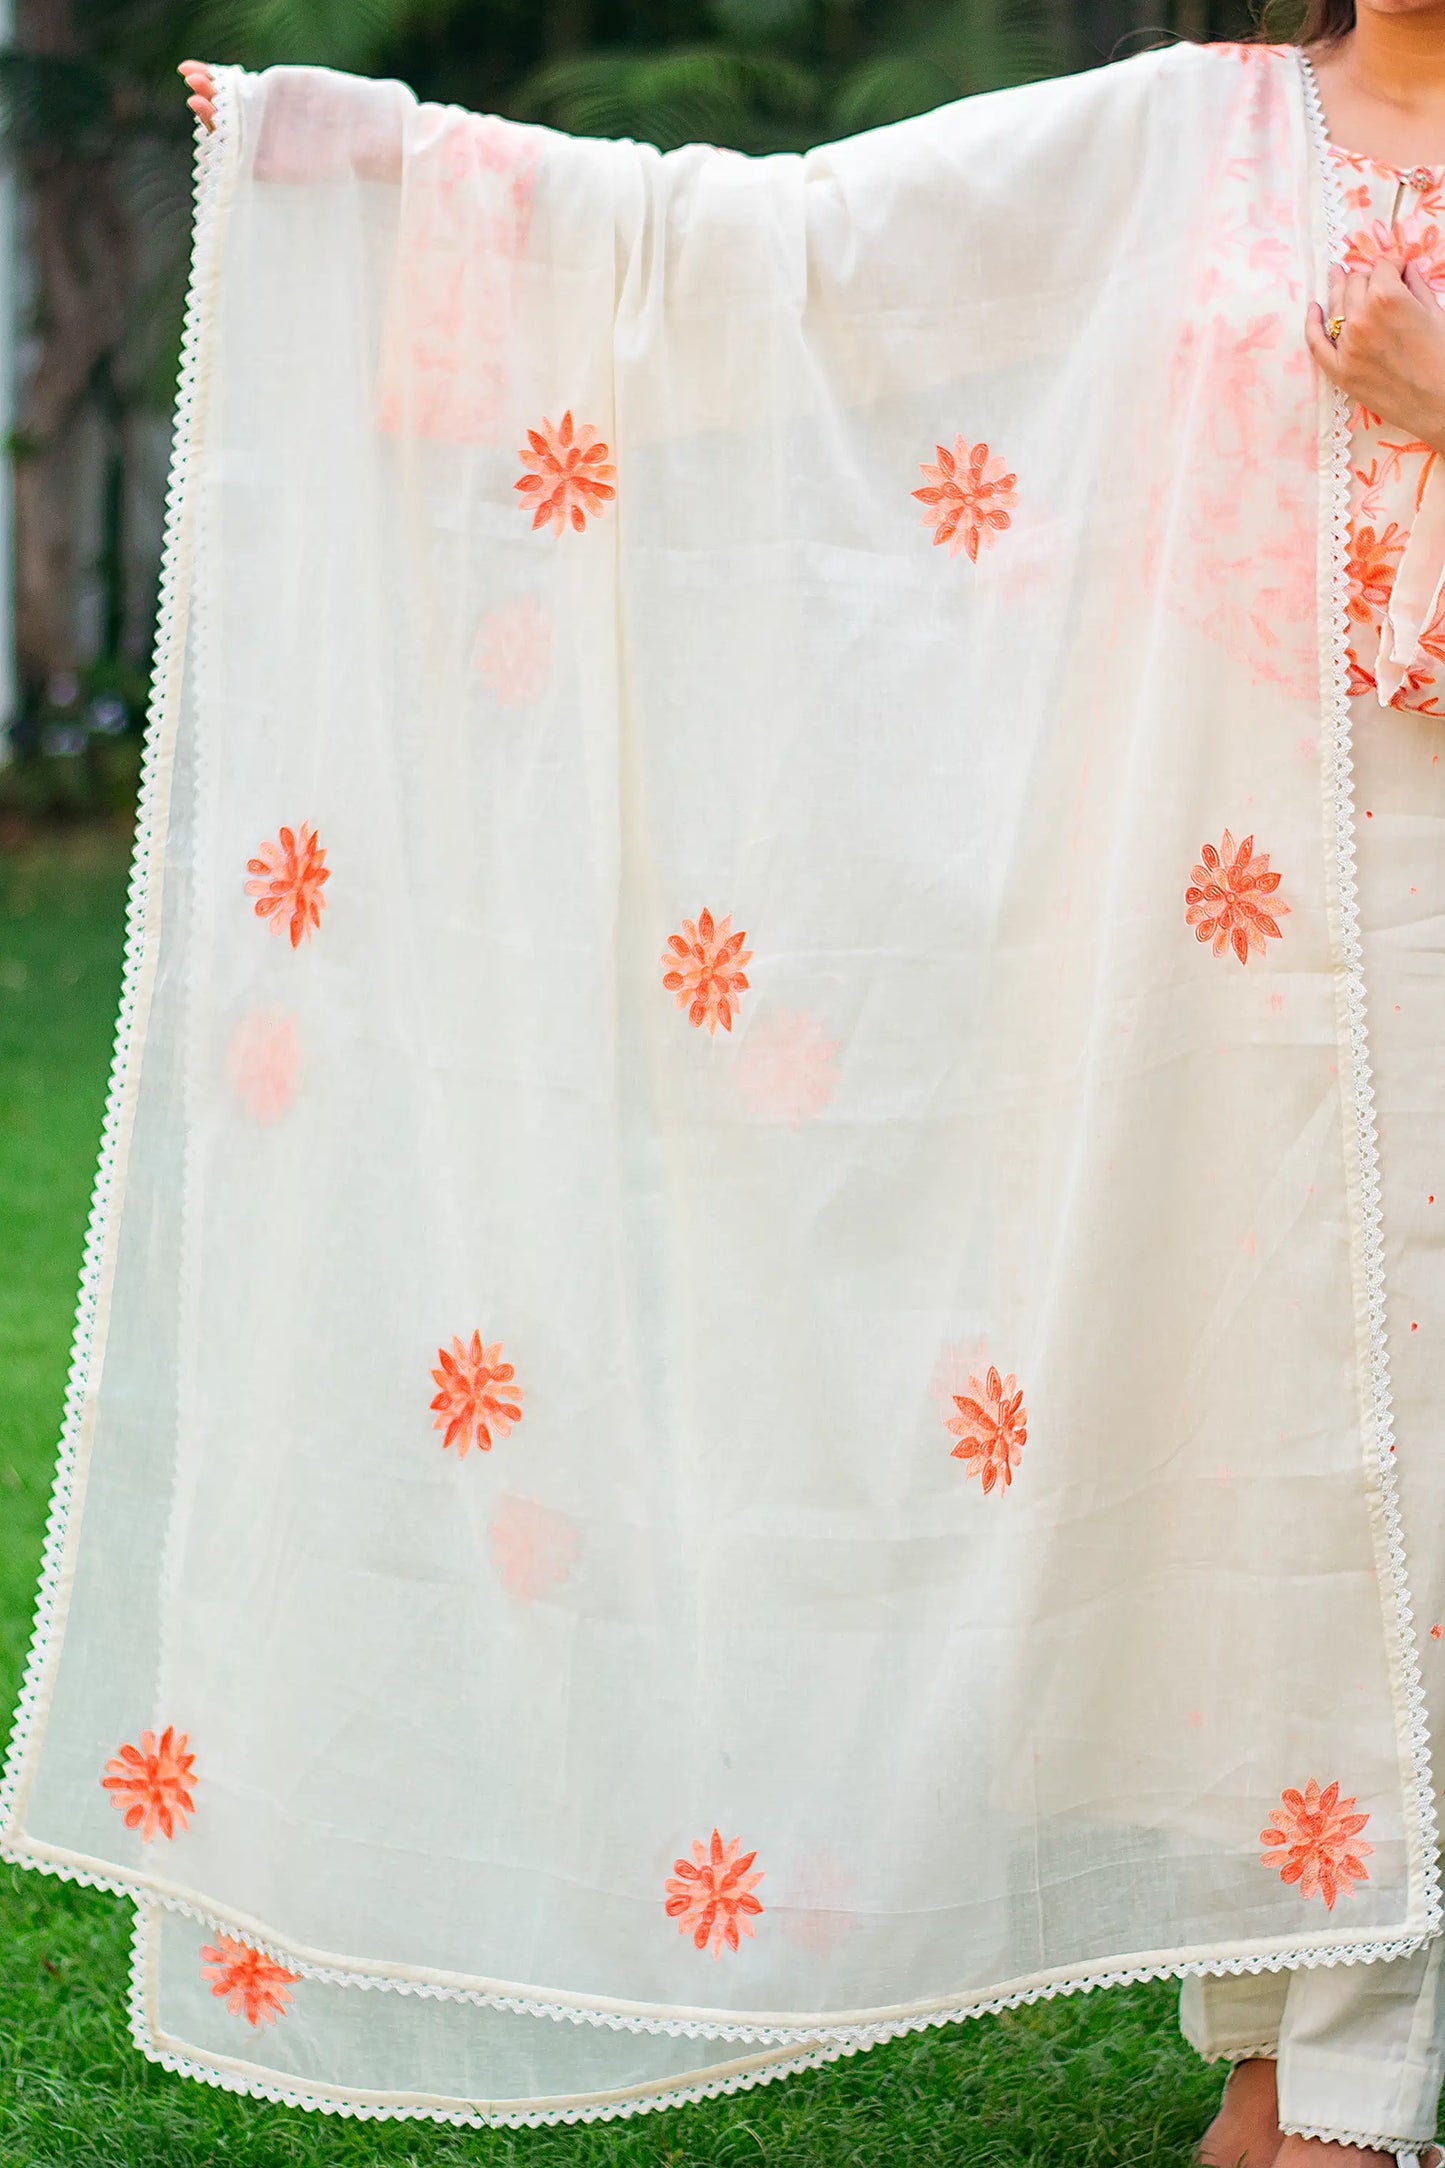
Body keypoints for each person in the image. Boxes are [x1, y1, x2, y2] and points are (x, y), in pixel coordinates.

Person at [170, 22, 1445, 2166]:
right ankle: (1316, 2037)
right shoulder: (1191, 131)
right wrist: (397, 177)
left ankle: (1345, 2058)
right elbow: (799, 256)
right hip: (1249, 918)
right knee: (1286, 1444)